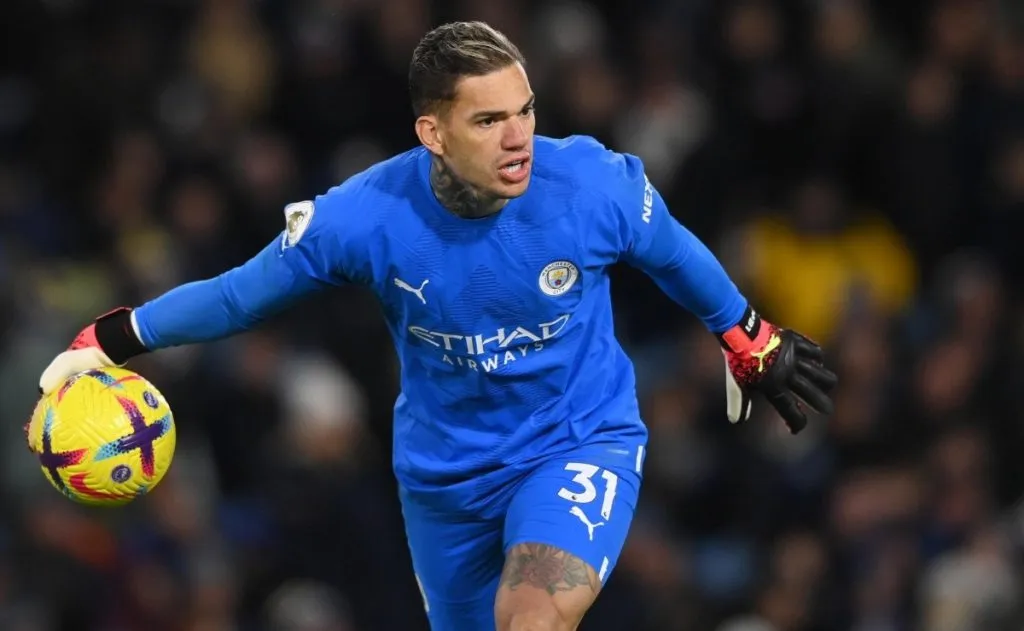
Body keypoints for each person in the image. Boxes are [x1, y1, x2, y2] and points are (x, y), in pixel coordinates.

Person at [36, 21, 836, 631]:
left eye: (525, 110)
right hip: (444, 478)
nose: (519, 137)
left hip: (575, 438)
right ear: (433, 133)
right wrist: (108, 340)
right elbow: (237, 296)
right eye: (488, 121)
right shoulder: (364, 218)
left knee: (530, 616)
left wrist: (746, 333)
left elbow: (673, 251)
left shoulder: (590, 184)